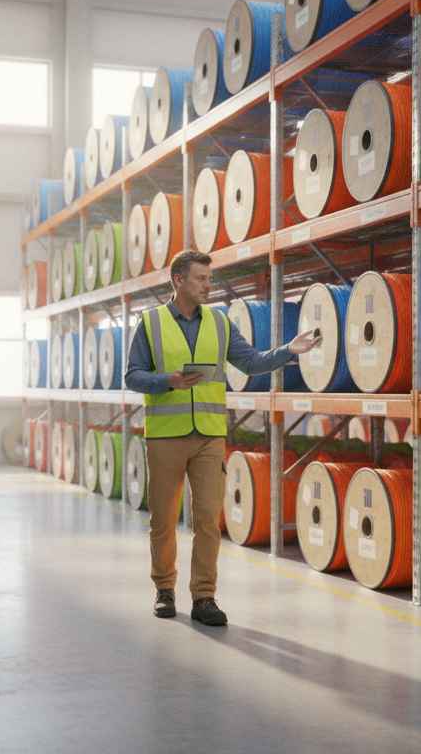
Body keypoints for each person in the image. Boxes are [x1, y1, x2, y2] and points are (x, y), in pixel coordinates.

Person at [124, 250, 320, 626]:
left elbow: (250, 362)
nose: (208, 285)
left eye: (209, 279)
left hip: (210, 435)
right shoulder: (150, 323)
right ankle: (164, 590)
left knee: (208, 521)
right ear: (179, 280)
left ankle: (204, 597)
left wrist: (286, 351)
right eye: (201, 278)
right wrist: (168, 381)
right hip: (165, 437)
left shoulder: (219, 322)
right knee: (163, 520)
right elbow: (132, 376)